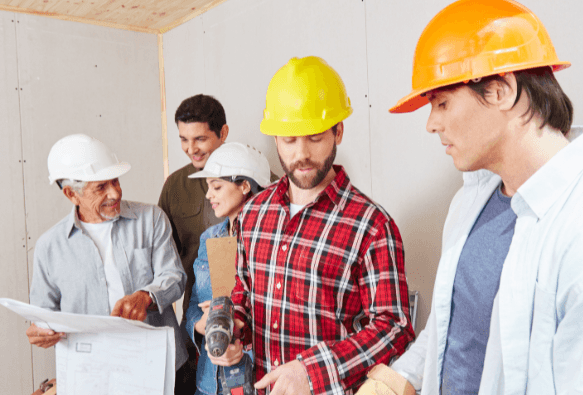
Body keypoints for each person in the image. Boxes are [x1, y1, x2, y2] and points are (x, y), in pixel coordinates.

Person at [384, 0, 583, 395]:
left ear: (500, 90)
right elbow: (458, 325)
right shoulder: (472, 203)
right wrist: (397, 379)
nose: (431, 123)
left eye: (442, 103)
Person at [231, 56, 415, 395]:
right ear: (275, 139)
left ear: (338, 131)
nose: (301, 153)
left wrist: (311, 371)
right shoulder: (252, 213)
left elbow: (395, 328)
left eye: (314, 138)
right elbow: (243, 287)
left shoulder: (371, 225)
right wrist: (233, 323)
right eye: (289, 140)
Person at [27, 134, 188, 373]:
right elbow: (42, 315)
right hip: (92, 372)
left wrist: (146, 296)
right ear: (72, 194)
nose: (115, 193)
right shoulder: (49, 246)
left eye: (115, 181)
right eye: (101, 187)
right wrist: (40, 332)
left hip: (157, 364)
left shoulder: (150, 219)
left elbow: (174, 277)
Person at [185, 142, 271, 395]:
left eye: (217, 187)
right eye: (208, 187)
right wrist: (200, 325)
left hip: (256, 379)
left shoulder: (272, 242)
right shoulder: (210, 238)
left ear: (245, 185)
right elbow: (192, 305)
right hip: (210, 382)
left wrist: (241, 332)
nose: (209, 195)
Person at [158, 94, 229, 393]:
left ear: (223, 133)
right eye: (184, 140)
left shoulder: (257, 178)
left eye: (200, 138)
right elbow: (162, 256)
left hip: (245, 321)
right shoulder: (176, 185)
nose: (191, 149)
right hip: (193, 319)